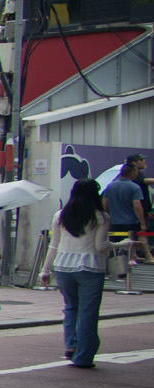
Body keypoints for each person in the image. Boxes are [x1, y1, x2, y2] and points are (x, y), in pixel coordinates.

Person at [47, 178, 109, 368]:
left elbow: (54, 245)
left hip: (63, 268)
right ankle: (83, 356)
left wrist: (45, 269)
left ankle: (71, 345)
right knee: (87, 312)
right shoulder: (101, 217)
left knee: (71, 308)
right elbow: (101, 247)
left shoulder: (61, 215)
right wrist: (123, 245)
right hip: (90, 268)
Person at [103, 155, 146, 285]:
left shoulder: (110, 186)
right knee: (128, 248)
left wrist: (107, 218)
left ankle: (111, 271)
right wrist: (143, 223)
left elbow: (104, 203)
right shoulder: (134, 187)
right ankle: (126, 274)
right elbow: (137, 206)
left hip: (114, 223)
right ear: (132, 173)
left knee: (113, 248)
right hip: (130, 223)